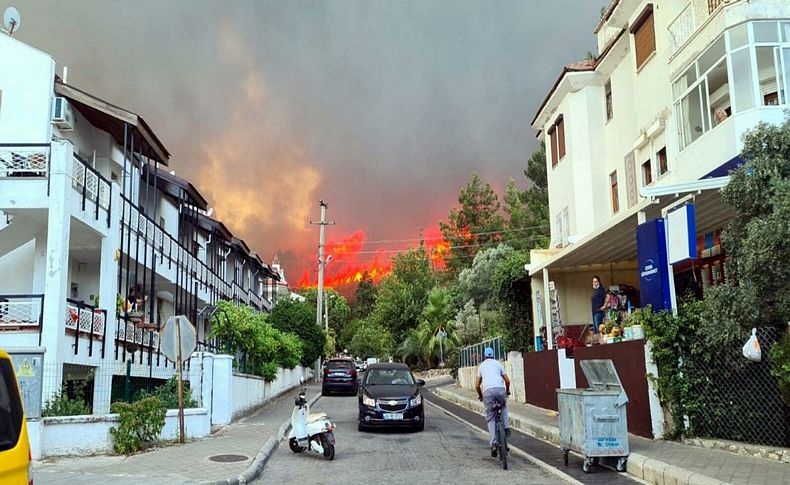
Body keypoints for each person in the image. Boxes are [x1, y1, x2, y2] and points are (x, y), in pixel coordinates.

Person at [475, 347, 511, 457]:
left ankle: (494, 443)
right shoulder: (498, 364)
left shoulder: (481, 366)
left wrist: (481, 396)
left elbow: (477, 385)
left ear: (485, 355)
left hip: (488, 392)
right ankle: (506, 428)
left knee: (490, 417)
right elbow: (507, 380)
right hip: (500, 390)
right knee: (503, 407)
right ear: (493, 354)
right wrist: (507, 390)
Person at [591, 276, 610, 343]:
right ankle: (600, 343)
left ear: (599, 282)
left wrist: (604, 306)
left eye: (596, 281)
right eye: (593, 282)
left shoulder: (601, 290)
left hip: (598, 312)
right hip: (594, 313)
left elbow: (608, 296)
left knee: (600, 330)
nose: (595, 283)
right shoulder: (595, 291)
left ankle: (602, 344)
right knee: (597, 330)